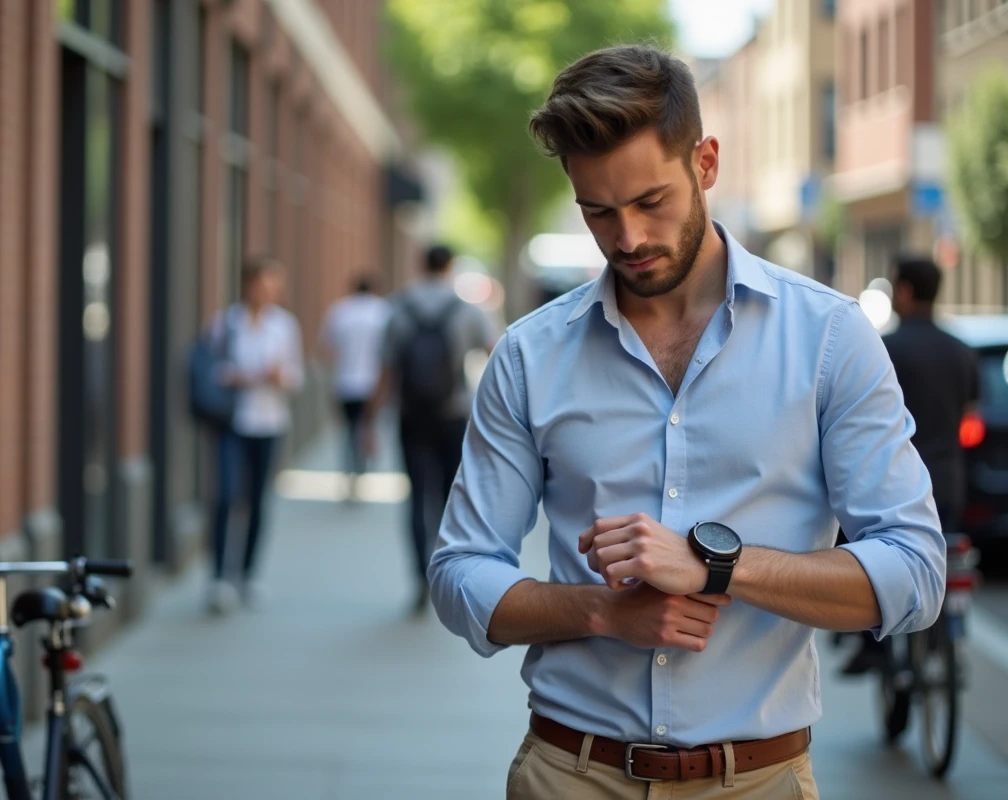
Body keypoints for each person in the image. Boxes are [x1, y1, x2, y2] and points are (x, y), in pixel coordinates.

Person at [428, 44, 945, 799]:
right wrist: (602, 611)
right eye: (598, 212)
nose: (628, 238)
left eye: (650, 201)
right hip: (570, 774)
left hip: (757, 780)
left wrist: (717, 566)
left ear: (705, 163)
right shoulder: (529, 355)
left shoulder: (830, 339)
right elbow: (460, 570)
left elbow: (916, 571)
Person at [839, 255, 979, 675]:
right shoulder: (961, 351)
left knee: (865, 558)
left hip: (894, 483)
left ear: (903, 291)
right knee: (942, 558)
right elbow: (969, 418)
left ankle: (874, 650)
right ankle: (946, 639)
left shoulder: (885, 348)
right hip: (950, 482)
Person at [365, 244, 497, 614]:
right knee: (449, 497)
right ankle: (446, 576)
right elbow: (497, 355)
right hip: (452, 413)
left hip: (410, 416)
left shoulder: (398, 309)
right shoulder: (467, 310)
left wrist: (369, 421)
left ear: (421, 265)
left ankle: (419, 578)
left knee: (417, 496)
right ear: (450, 267)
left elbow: (386, 371)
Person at [205, 257, 303, 614]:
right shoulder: (225, 324)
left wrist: (280, 377)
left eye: (273, 287)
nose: (267, 292)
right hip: (232, 422)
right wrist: (244, 377)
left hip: (269, 423)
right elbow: (210, 372)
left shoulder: (284, 326)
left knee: (258, 501)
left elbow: (295, 376)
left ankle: (247, 574)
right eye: (262, 285)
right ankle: (219, 577)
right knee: (226, 497)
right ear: (247, 285)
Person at [319, 273, 392, 501]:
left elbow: (326, 348)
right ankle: (361, 470)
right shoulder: (383, 312)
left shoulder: (340, 311)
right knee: (367, 427)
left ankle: (350, 472)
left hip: (345, 382)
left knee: (349, 431)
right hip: (373, 383)